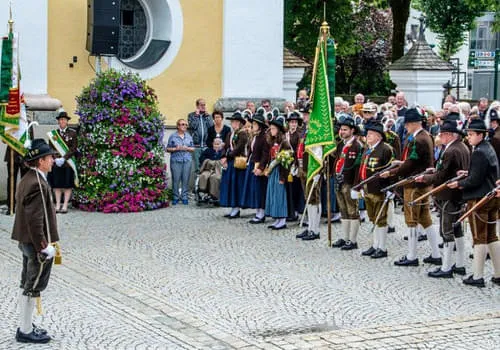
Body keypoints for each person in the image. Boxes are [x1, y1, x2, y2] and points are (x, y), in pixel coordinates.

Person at [12, 138, 59, 344]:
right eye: (49, 157)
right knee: (33, 284)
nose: (52, 160)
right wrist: (44, 246)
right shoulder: (37, 184)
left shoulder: (29, 178)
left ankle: (27, 325)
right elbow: (35, 219)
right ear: (40, 161)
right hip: (34, 243)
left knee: (28, 282)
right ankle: (24, 329)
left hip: (26, 240)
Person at [381, 108, 442, 267]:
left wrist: (392, 173)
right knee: (425, 218)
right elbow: (414, 161)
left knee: (412, 220)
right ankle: (435, 254)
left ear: (414, 123)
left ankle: (412, 255)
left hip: (414, 184)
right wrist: (400, 164)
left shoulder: (419, 139)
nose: (405, 126)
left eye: (407, 124)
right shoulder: (424, 136)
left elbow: (412, 163)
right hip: (420, 181)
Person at [448, 119, 500, 287]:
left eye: (471, 135)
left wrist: (459, 183)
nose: (468, 137)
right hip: (491, 198)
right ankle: (498, 273)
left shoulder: (479, 152)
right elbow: (481, 173)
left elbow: (476, 180)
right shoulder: (487, 148)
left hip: (480, 199)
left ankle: (477, 276)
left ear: (481, 135)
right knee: (492, 235)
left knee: (479, 237)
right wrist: (468, 172)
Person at [415, 120, 470, 278]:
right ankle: (459, 264)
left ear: (448, 135)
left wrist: (425, 178)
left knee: (447, 231)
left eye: (441, 134)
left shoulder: (450, 150)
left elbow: (441, 175)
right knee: (457, 229)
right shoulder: (463, 147)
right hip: (457, 195)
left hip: (448, 195)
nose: (439, 137)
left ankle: (446, 267)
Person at [358, 121, 395, 258]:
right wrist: (360, 185)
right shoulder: (368, 149)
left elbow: (392, 169)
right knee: (373, 218)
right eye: (367, 134)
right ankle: (375, 245)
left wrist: (391, 188)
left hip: (380, 189)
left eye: (371, 134)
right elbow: (362, 169)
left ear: (379, 136)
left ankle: (382, 247)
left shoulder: (386, 149)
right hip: (368, 188)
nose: (368, 136)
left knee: (381, 218)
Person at [331, 116, 363, 250]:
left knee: (352, 210)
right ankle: (345, 237)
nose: (342, 132)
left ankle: (353, 240)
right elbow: (337, 160)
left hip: (350, 182)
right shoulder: (340, 144)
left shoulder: (357, 146)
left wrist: (357, 186)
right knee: (343, 210)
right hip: (339, 180)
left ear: (352, 130)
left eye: (345, 130)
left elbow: (358, 168)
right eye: (341, 130)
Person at [240, 111, 269, 223]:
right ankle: (258, 212)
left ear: (260, 126)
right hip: (252, 164)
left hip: (258, 166)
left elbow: (265, 154)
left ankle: (261, 213)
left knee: (260, 190)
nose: (253, 126)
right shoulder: (255, 137)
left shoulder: (263, 138)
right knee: (254, 190)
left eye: (255, 125)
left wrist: (260, 168)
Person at [47, 111, 77, 214]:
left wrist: (64, 158)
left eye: (64, 119)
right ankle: (58, 205)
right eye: (60, 119)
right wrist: (55, 159)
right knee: (57, 185)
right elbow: (50, 148)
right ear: (58, 121)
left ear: (67, 121)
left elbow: (73, 149)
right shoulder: (53, 135)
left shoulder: (73, 133)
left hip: (68, 163)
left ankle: (65, 206)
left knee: (67, 185)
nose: (62, 121)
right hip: (56, 163)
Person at [219, 111, 248, 218]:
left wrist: (227, 156)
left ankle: (237, 209)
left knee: (236, 185)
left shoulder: (243, 134)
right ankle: (233, 207)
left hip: (238, 163)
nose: (234, 124)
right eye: (233, 122)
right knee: (230, 185)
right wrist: (223, 157)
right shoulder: (230, 134)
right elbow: (225, 146)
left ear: (240, 123)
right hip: (231, 162)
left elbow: (238, 148)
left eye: (236, 122)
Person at [265, 116, 291, 230]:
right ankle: (277, 218)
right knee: (273, 195)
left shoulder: (284, 142)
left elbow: (288, 158)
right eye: (271, 129)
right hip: (273, 171)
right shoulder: (273, 141)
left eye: (273, 129)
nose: (271, 131)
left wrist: (283, 176)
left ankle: (282, 219)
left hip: (280, 171)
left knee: (280, 195)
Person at [167, 119, 194, 205]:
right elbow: (167, 148)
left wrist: (187, 148)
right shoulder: (173, 136)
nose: (185, 126)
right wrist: (175, 148)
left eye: (186, 125)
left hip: (187, 160)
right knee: (176, 179)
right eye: (183, 124)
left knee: (185, 179)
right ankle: (175, 197)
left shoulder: (189, 136)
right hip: (176, 160)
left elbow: (193, 148)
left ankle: (184, 197)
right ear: (178, 126)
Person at [285, 110, 305, 222]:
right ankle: (290, 211)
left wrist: (297, 165)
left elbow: (299, 150)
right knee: (289, 190)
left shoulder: (299, 134)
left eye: (295, 122)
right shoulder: (286, 134)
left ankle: (296, 212)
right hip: (287, 164)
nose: (293, 124)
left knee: (296, 190)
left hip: (295, 165)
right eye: (291, 122)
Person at [187, 98, 214, 174]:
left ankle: (204, 185)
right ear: (197, 106)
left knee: (207, 166)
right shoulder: (191, 115)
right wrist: (196, 116)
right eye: (201, 105)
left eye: (204, 105)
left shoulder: (208, 116)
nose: (203, 106)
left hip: (206, 146)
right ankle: (197, 185)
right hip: (196, 146)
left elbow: (211, 127)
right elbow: (193, 126)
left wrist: (207, 117)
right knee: (197, 167)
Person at [4, 145, 30, 215]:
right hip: (12, 153)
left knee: (26, 180)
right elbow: (4, 139)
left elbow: (30, 139)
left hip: (24, 153)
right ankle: (11, 206)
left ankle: (25, 204)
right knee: (11, 181)